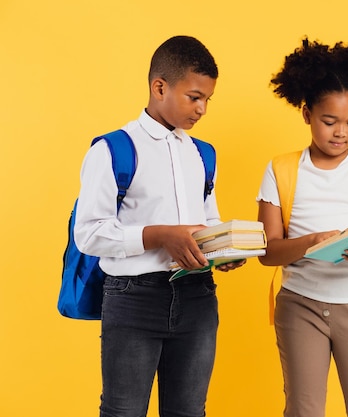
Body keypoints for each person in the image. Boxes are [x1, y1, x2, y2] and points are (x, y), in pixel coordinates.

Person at [74, 35, 245, 417]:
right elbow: (88, 232)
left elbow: (208, 219)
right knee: (124, 410)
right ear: (159, 87)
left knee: (189, 410)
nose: (202, 109)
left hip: (198, 296)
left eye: (207, 100)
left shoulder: (202, 153)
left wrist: (224, 250)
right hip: (134, 298)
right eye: (194, 97)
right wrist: (158, 235)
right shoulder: (113, 149)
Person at [256, 38, 348, 417]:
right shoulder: (281, 169)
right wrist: (309, 243)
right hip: (300, 306)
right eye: (330, 121)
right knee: (303, 411)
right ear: (307, 114)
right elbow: (268, 251)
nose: (341, 132)